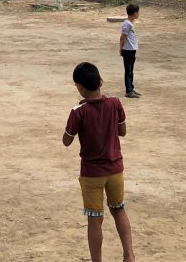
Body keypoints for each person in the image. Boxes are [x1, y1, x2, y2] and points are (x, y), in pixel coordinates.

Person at [63, 62, 135, 262]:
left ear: (80, 87)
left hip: (92, 173)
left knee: (95, 219)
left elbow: (66, 141)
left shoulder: (78, 110)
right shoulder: (115, 104)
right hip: (115, 169)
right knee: (119, 210)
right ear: (100, 82)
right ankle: (129, 255)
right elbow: (122, 131)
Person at [119, 4, 141, 99]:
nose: (138, 14)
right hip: (127, 50)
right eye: (137, 12)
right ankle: (128, 90)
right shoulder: (127, 24)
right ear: (134, 13)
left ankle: (131, 87)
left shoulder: (130, 23)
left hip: (131, 50)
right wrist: (121, 49)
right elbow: (122, 37)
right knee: (128, 70)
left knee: (130, 70)